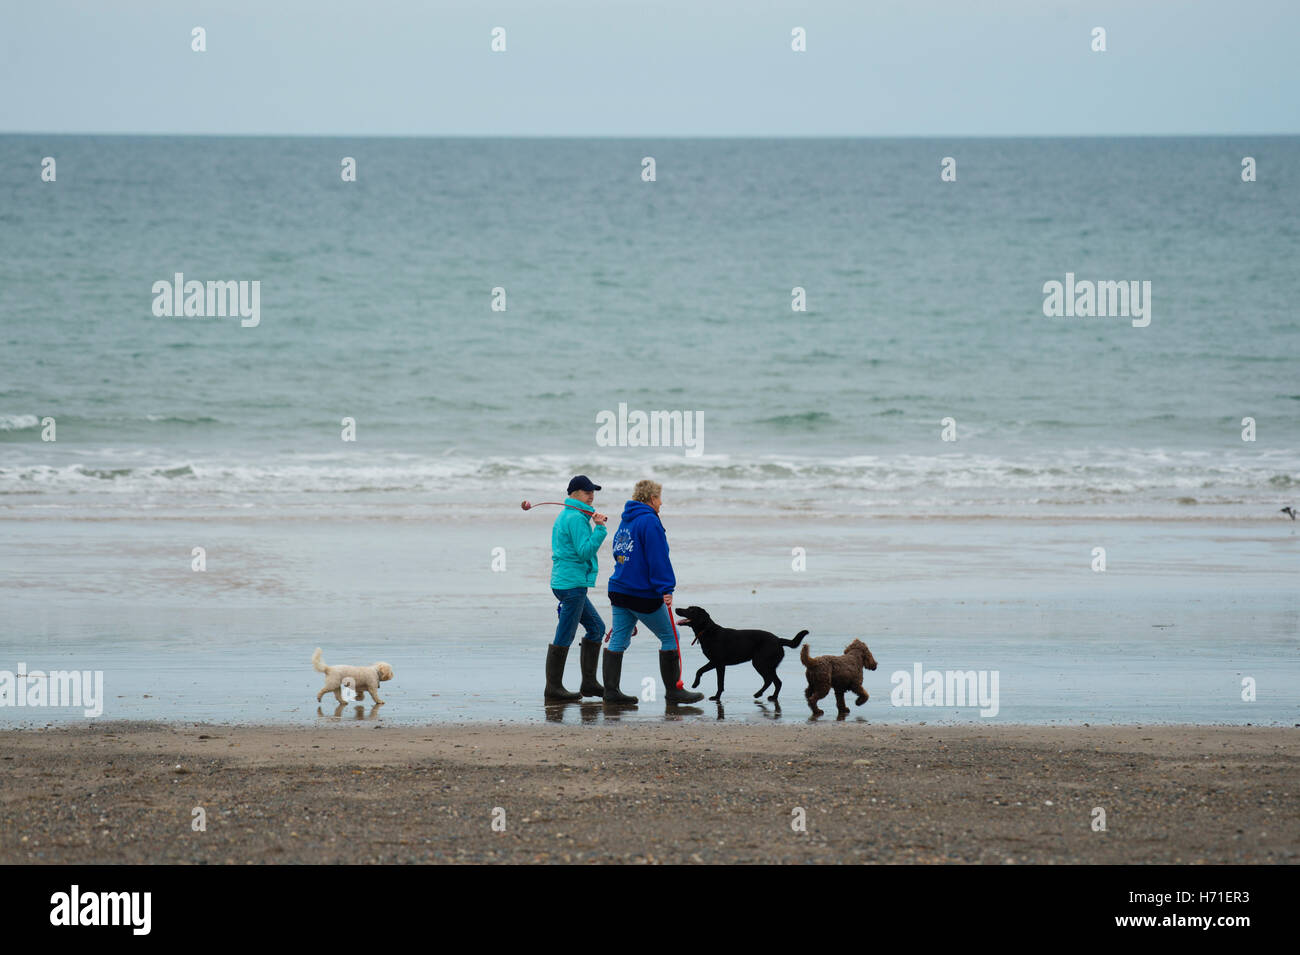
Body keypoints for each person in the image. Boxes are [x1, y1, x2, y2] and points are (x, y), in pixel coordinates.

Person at [602, 479, 703, 705]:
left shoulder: (626, 520)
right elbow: (657, 558)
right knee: (670, 636)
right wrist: (666, 587)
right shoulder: (649, 521)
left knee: (619, 637)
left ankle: (611, 692)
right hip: (641, 594)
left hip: (619, 589)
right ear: (651, 499)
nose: (661, 503)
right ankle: (674, 691)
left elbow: (617, 551)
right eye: (659, 497)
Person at [546, 475, 609, 700]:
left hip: (566, 582)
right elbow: (584, 551)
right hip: (571, 584)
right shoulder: (574, 517)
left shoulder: (572, 515)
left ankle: (589, 684)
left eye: (593, 491)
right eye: (586, 491)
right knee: (566, 633)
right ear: (574, 494)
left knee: (597, 628)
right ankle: (553, 688)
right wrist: (600, 529)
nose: (591, 495)